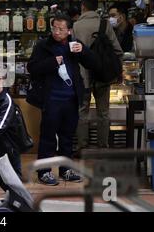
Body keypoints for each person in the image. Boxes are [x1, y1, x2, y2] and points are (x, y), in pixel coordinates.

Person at [27, 13, 97, 185]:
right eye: (54, 28)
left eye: (60, 29)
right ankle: (44, 172)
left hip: (71, 98)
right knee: (48, 137)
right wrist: (52, 62)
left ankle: (66, 170)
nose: (56, 32)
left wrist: (84, 51)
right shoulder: (43, 46)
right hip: (51, 99)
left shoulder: (75, 45)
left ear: (69, 30)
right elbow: (32, 68)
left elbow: (94, 63)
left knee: (67, 137)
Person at [73, 0, 123, 151]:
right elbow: (117, 50)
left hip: (83, 76)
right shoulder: (104, 24)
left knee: (82, 112)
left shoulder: (76, 26)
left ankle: (82, 146)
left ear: (83, 6)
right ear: (97, 7)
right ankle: (103, 146)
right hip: (102, 75)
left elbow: (73, 53)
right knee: (103, 112)